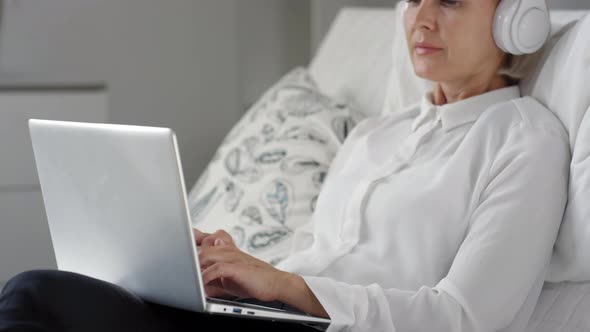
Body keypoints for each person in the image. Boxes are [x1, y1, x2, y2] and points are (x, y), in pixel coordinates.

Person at [0, 0, 570, 331]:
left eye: (449, 0)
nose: (420, 18)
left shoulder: (525, 140)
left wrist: (288, 287)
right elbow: (320, 247)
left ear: (512, 19)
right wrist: (243, 267)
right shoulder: (376, 134)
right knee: (55, 291)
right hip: (267, 317)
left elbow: (465, 319)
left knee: (36, 297)